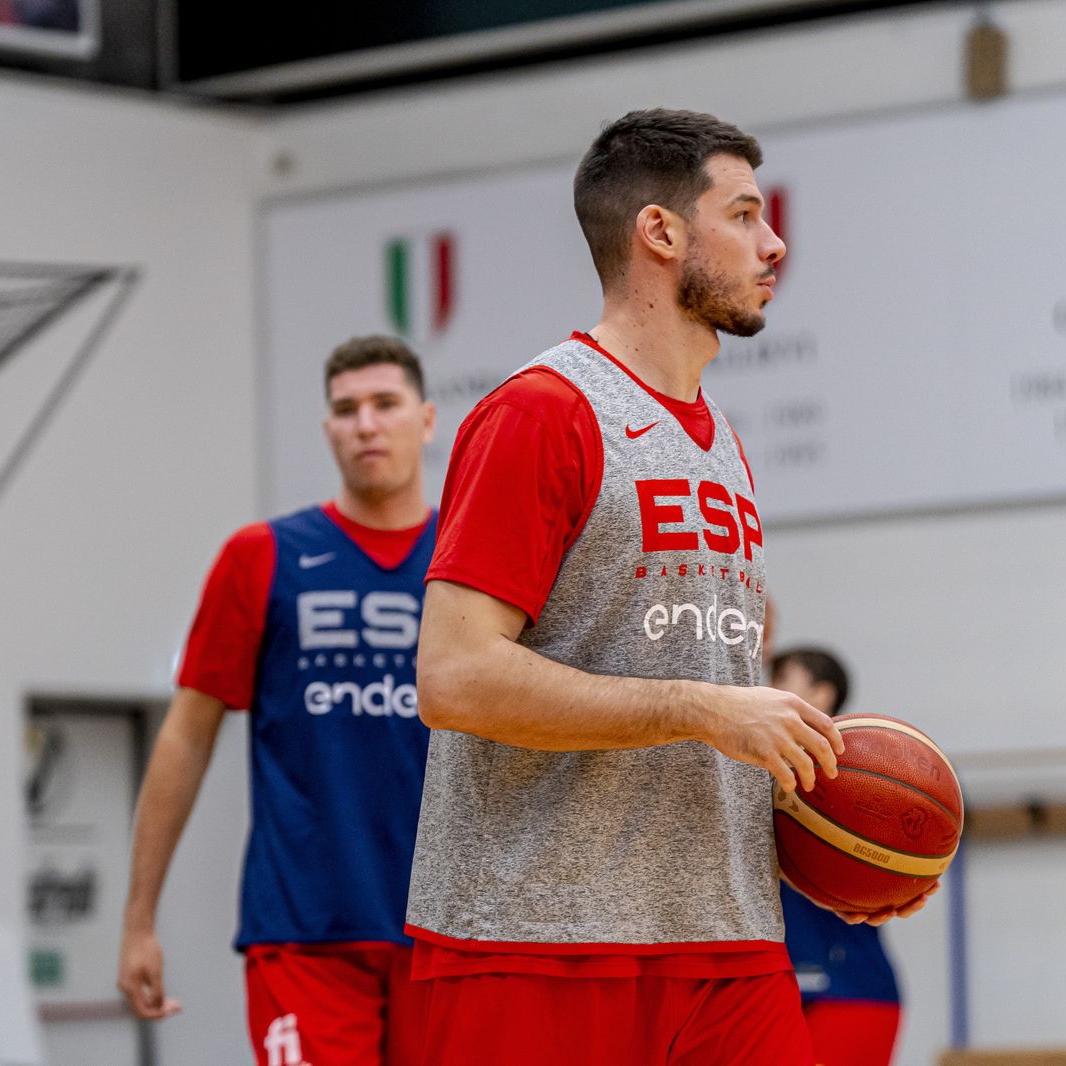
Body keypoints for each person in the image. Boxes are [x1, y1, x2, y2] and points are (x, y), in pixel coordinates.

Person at [407, 108, 934, 1066]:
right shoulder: (541, 412)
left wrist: (837, 837)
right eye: (744, 215)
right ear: (661, 232)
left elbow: (704, 709)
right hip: (536, 944)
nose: (774, 244)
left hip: (729, 943)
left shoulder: (720, 440)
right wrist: (698, 709)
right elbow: (452, 677)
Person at [117, 335, 437, 1066]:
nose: (365, 424)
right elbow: (186, 737)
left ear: (426, 419)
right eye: (345, 409)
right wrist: (138, 920)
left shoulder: (468, 558)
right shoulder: (262, 556)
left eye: (385, 404)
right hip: (303, 931)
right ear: (327, 428)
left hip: (448, 934)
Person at [772, 646, 904, 1066]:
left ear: (823, 694)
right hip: (787, 987)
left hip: (852, 989)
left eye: (782, 681)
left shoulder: (854, 777)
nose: (768, 690)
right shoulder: (762, 770)